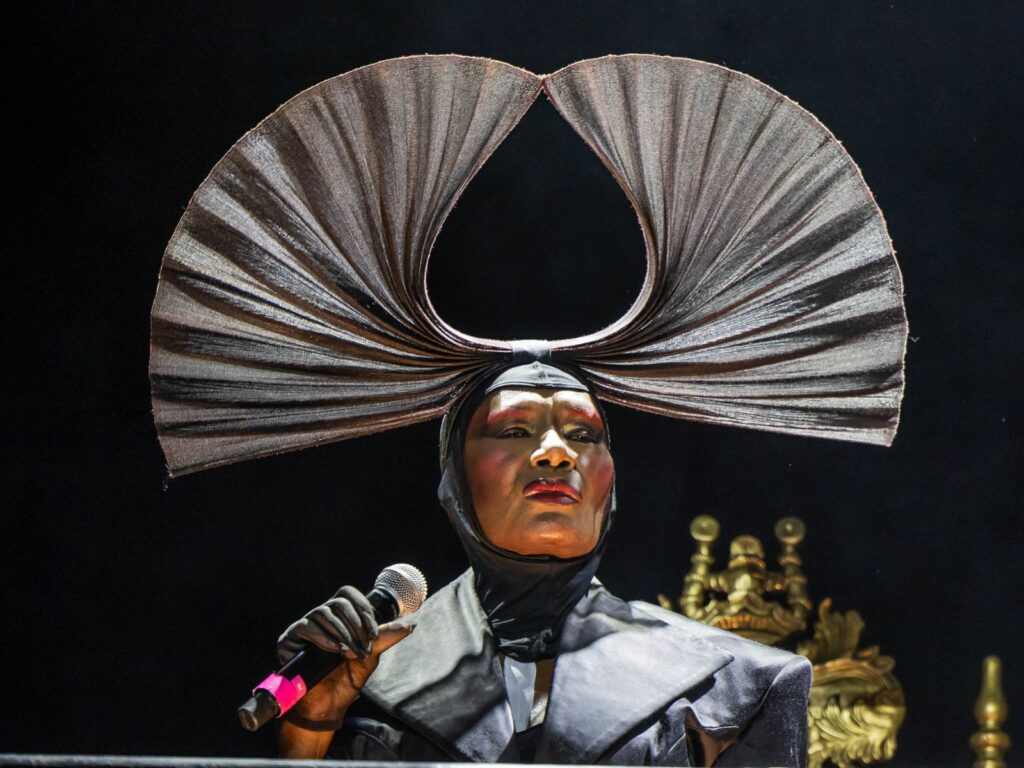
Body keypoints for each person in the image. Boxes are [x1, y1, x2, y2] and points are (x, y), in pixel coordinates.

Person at [276, 362, 812, 766]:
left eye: (583, 435)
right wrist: (308, 728)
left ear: (610, 484)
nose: (556, 452)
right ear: (455, 479)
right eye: (513, 431)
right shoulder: (352, 678)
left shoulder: (739, 689)